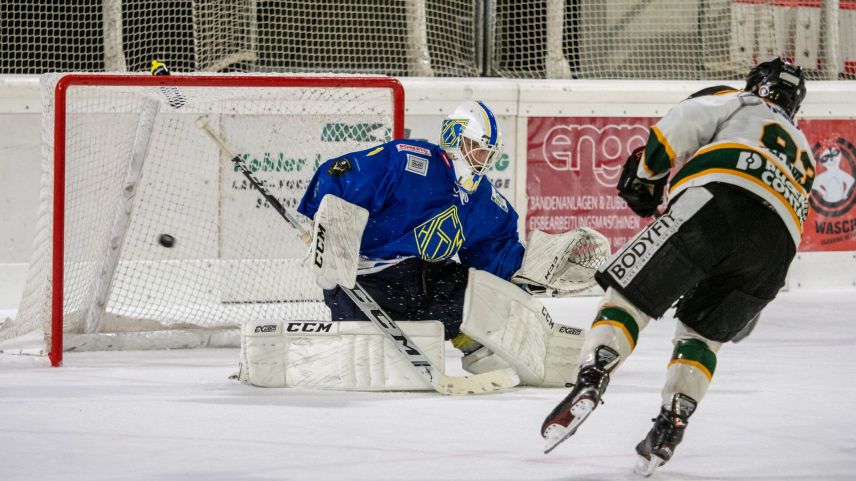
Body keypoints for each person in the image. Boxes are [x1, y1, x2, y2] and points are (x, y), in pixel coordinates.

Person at [540, 57, 815, 476]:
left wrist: (649, 177)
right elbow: (781, 216)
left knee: (629, 298)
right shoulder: (805, 150)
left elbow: (678, 125)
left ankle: (593, 376)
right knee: (702, 337)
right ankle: (672, 423)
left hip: (716, 206)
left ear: (756, 84)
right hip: (775, 253)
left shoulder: (738, 101)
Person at [296, 100, 609, 387]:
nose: (482, 159)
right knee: (370, 365)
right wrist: (320, 224)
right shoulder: (406, 160)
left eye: (488, 153)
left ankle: (477, 346)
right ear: (454, 137)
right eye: (476, 147)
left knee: (475, 290)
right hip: (364, 283)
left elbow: (493, 251)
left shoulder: (482, 198)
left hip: (421, 281)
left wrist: (534, 268)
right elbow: (339, 174)